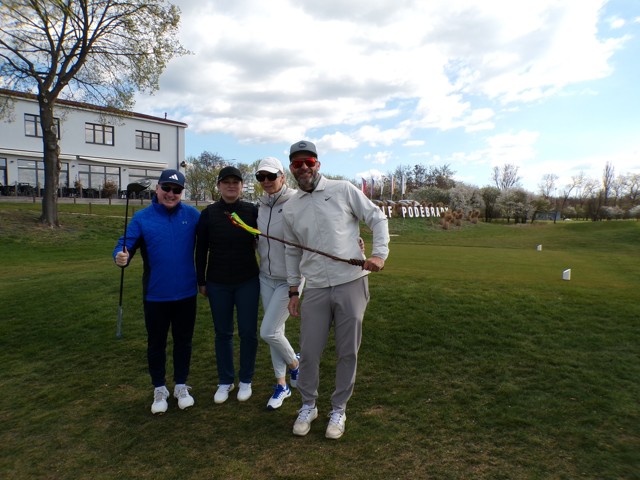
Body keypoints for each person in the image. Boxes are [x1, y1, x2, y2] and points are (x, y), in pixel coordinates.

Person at [283, 140, 390, 439]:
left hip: (351, 282)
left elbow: (377, 218)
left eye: (309, 162)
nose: (304, 167)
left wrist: (379, 254)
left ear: (318, 164)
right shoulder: (290, 207)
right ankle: (308, 405)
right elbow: (292, 251)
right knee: (309, 351)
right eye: (297, 163)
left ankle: (339, 409)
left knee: (347, 351)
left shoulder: (342, 189)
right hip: (316, 286)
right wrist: (294, 290)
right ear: (291, 168)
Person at [112, 169, 200, 415]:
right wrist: (120, 256)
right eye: (166, 188)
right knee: (156, 343)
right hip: (155, 295)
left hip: (186, 293)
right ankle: (159, 388)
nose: (171, 194)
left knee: (183, 341)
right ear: (158, 189)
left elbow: (213, 236)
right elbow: (125, 244)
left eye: (177, 190)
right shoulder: (142, 217)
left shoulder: (192, 215)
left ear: (182, 192)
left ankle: (181, 385)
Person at [196, 166, 260, 404]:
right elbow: (201, 249)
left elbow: (267, 238)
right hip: (218, 282)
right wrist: (201, 280)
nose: (231, 186)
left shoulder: (252, 211)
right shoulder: (209, 213)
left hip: (247, 281)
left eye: (236, 182)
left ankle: (246, 379)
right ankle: (225, 380)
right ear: (219, 186)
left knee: (247, 332)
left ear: (242, 186)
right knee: (223, 333)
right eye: (226, 182)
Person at [255, 157, 302, 410]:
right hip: (266, 276)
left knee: (269, 332)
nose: (266, 181)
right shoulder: (260, 206)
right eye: (261, 177)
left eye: (271, 176)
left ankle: (295, 364)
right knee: (276, 332)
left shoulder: (297, 200)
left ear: (283, 177)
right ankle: (281, 384)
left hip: (290, 279)